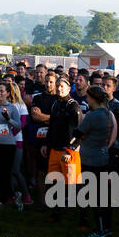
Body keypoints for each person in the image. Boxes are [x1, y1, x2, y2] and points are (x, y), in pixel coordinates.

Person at [74, 85, 117, 237]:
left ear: (93, 98)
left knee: (94, 196)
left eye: (88, 97)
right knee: (103, 195)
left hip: (90, 160)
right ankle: (107, 227)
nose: (86, 99)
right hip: (103, 157)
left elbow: (78, 133)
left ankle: (99, 230)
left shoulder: (93, 115)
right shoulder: (108, 114)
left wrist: (81, 137)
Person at [0, 80, 28, 207]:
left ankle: (3, 198)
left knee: (6, 172)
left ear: (8, 93)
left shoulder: (12, 108)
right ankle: (13, 195)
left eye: (2, 91)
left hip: (8, 144)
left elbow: (18, 126)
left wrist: (8, 119)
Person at [43, 76, 83, 222]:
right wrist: (45, 145)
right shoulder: (55, 105)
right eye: (58, 86)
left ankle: (82, 218)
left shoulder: (74, 106)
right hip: (54, 150)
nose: (59, 88)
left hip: (69, 152)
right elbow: (51, 127)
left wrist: (71, 149)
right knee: (54, 184)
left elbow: (80, 131)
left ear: (68, 89)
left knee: (73, 186)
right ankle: (56, 214)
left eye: (62, 86)